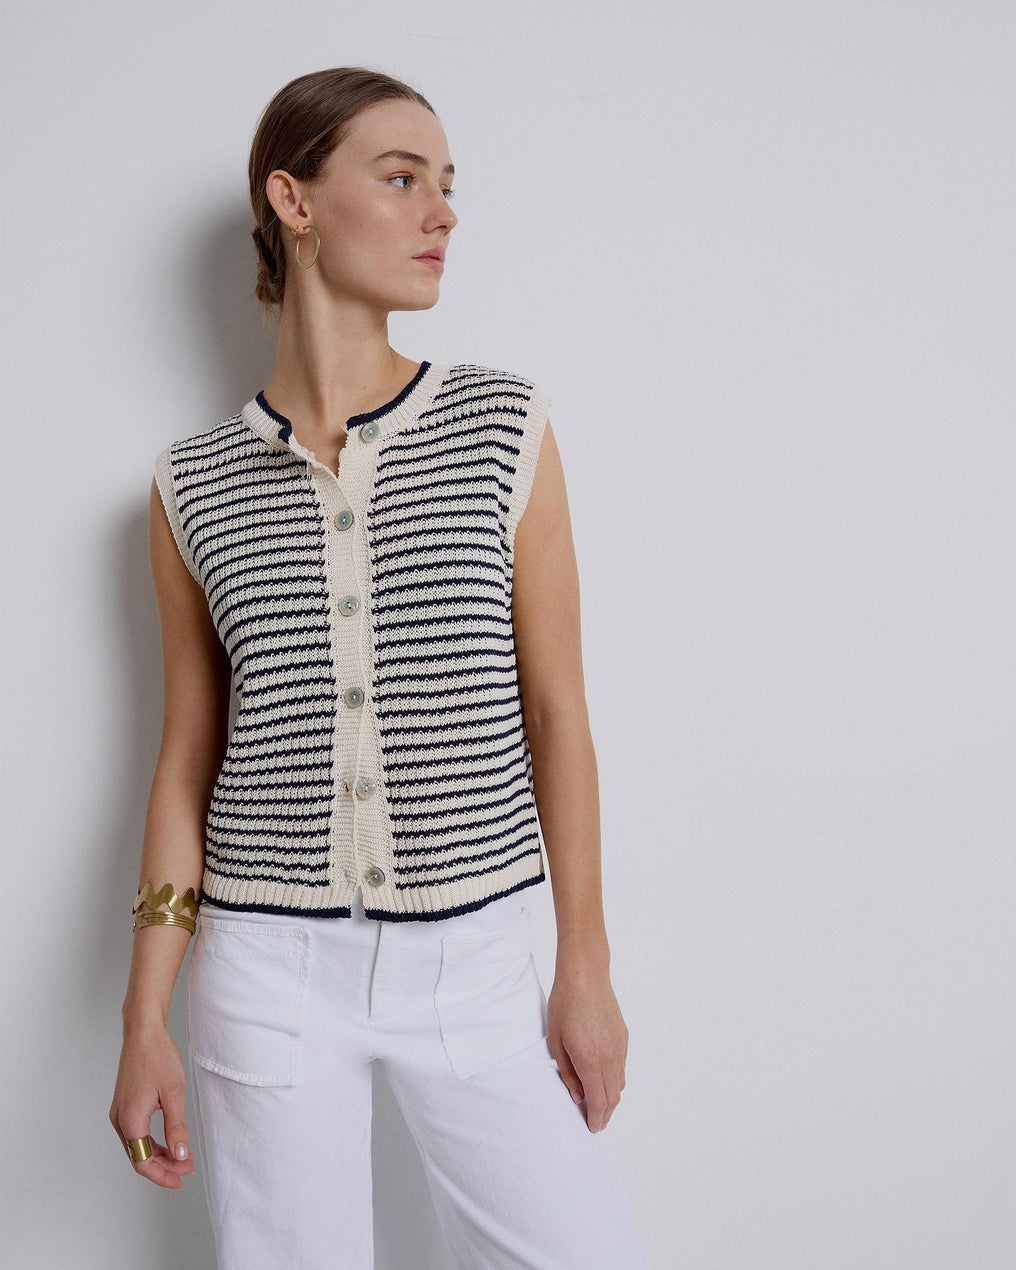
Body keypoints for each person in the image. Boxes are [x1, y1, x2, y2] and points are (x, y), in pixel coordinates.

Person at [109, 66, 650, 1269]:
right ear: (293, 201)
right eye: (401, 179)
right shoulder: (188, 484)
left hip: (472, 965)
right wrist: (145, 1013)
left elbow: (556, 711)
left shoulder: (501, 426)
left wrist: (584, 961)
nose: (441, 212)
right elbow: (187, 759)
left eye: (446, 185)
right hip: (263, 971)